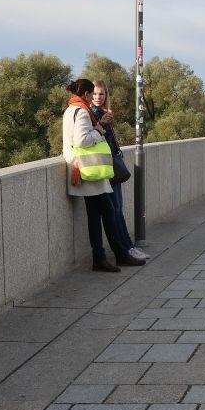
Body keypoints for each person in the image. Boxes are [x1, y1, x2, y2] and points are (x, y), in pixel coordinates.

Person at [62, 79, 145, 273]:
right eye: (92, 94)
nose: (93, 98)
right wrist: (99, 130)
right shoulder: (82, 112)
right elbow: (82, 140)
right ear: (87, 94)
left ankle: (100, 258)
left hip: (78, 167)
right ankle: (119, 255)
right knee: (108, 211)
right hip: (89, 169)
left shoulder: (70, 110)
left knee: (95, 214)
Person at [92, 80, 148, 261]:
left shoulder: (102, 114)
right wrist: (100, 122)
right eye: (94, 94)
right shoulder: (92, 115)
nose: (98, 97)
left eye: (101, 94)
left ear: (106, 95)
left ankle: (128, 247)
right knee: (114, 210)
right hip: (105, 167)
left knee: (118, 209)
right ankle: (124, 250)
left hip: (112, 164)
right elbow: (91, 137)